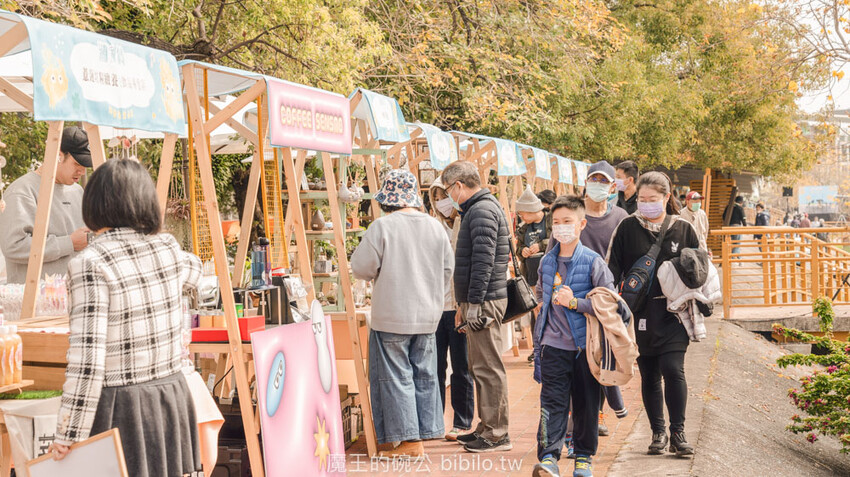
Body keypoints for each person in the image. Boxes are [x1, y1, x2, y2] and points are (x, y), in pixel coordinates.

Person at [50, 160, 202, 477]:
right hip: (170, 397)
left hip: (121, 407)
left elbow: (88, 362)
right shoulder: (168, 248)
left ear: (95, 205)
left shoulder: (90, 263)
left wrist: (68, 432)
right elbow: (196, 271)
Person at [351, 170, 453, 457]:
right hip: (428, 316)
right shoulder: (435, 227)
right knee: (424, 375)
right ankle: (421, 435)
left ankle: (409, 442)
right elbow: (448, 270)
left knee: (396, 376)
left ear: (388, 199)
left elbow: (361, 268)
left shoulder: (382, 227)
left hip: (392, 314)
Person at [607, 171, 701, 457]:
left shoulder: (683, 228)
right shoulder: (626, 228)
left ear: (666, 198)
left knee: (673, 369)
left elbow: (701, 269)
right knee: (649, 375)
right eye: (642, 199)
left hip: (674, 312)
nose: (646, 204)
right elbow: (611, 269)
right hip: (640, 313)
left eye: (653, 199)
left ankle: (678, 432)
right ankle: (658, 432)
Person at [532, 196, 616, 477]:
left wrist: (575, 303)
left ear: (581, 224)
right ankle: (548, 459)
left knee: (586, 404)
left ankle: (583, 458)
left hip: (585, 349)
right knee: (551, 403)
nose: (561, 227)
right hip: (552, 346)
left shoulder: (593, 262)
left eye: (567, 221)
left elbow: (610, 305)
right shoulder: (546, 261)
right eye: (556, 222)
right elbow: (541, 295)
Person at [440, 160, 512, 453]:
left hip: (484, 300)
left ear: (458, 185)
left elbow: (482, 263)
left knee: (488, 367)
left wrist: (474, 305)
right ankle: (486, 426)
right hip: (478, 299)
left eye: (447, 190)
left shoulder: (481, 210)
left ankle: (497, 433)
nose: (447, 197)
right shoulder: (479, 208)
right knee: (479, 365)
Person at [577, 160, 629, 440]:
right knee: (579, 357)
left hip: (607, 299)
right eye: (593, 179)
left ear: (612, 186)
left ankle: (597, 413)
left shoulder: (620, 217)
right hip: (574, 298)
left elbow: (626, 257)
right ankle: (580, 413)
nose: (598, 184)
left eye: (603, 181)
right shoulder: (573, 213)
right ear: (586, 182)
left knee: (603, 354)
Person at [0, 126, 92, 283]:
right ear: (58, 155)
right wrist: (68, 243)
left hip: (74, 297)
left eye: (85, 165)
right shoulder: (21, 191)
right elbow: (13, 246)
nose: (82, 171)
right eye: (77, 164)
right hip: (32, 302)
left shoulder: (78, 192)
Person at [427, 178, 475, 442]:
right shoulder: (431, 227)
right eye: (436, 198)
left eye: (443, 195)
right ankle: (434, 420)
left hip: (457, 306)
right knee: (434, 368)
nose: (441, 202)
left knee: (461, 367)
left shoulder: (465, 223)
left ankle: (462, 421)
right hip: (434, 308)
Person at [516, 186, 552, 287]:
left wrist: (541, 246)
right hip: (530, 278)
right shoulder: (523, 227)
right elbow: (519, 248)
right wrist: (522, 251)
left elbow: (559, 241)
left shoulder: (552, 220)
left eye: (522, 214)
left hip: (550, 276)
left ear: (531, 210)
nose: (521, 218)